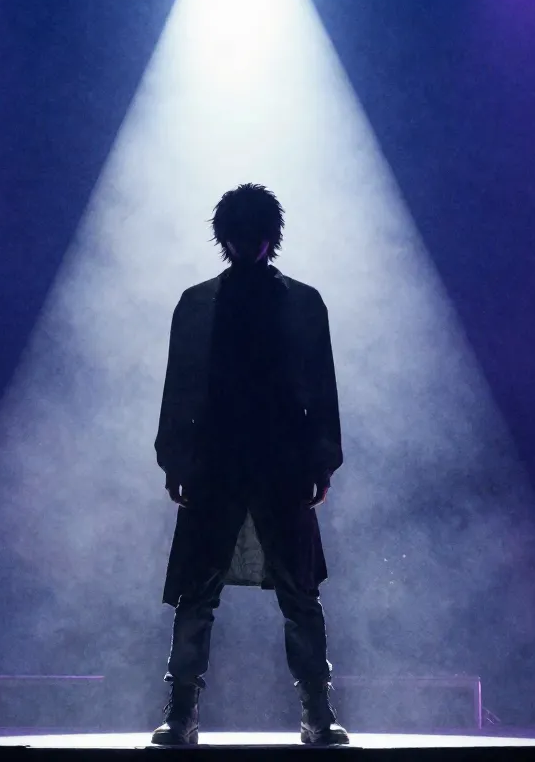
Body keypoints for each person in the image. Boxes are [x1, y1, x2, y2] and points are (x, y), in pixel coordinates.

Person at [151, 183, 349, 745]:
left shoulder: (302, 302)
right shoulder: (198, 303)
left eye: (253, 232)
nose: (245, 242)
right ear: (226, 236)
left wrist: (322, 461)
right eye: (238, 232)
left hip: (279, 460)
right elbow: (179, 387)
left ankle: (316, 710)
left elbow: (322, 388)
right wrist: (175, 459)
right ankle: (183, 711)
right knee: (199, 590)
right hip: (218, 458)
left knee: (297, 591)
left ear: (268, 235)